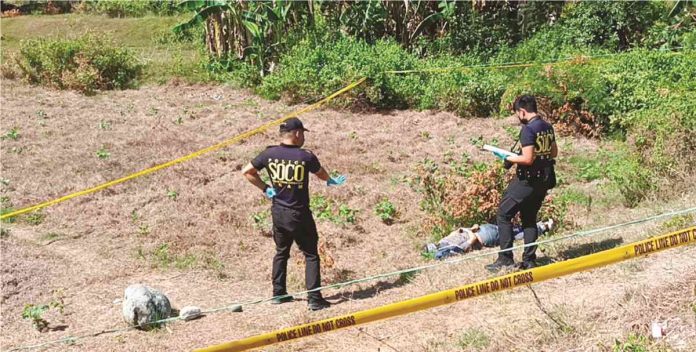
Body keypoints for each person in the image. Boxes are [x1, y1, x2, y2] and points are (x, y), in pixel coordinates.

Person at [241, 117, 346, 311]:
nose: (303, 137)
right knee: (311, 254)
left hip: (278, 212)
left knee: (281, 252)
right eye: (303, 133)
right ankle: (314, 299)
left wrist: (265, 188)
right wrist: (330, 181)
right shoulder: (305, 156)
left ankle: (278, 293)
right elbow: (320, 173)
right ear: (297, 134)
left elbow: (247, 171)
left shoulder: (268, 153)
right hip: (299, 214)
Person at [486, 95, 558, 271]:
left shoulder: (528, 130)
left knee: (503, 214)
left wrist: (508, 157)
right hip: (544, 180)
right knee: (529, 219)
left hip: (527, 181)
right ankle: (529, 260)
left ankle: (505, 258)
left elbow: (527, 159)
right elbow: (554, 152)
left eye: (518, 114)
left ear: (522, 111)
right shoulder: (547, 127)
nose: (518, 117)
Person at [424, 219, 554, 260]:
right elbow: (462, 231)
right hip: (482, 231)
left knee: (512, 235)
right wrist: (470, 229)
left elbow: (471, 238)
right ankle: (540, 226)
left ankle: (542, 227)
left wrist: (469, 230)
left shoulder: (448, 247)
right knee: (512, 231)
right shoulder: (445, 241)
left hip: (484, 236)